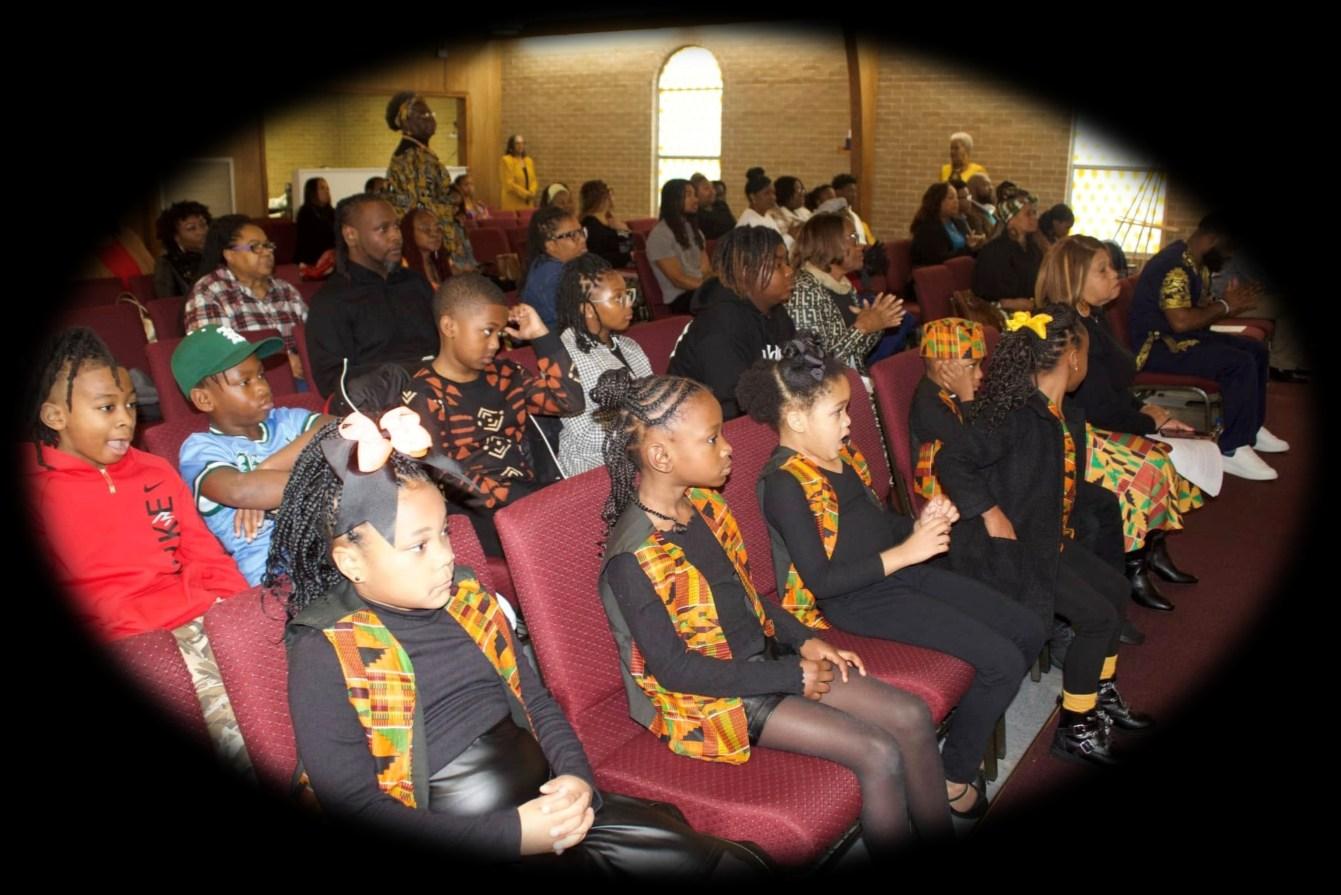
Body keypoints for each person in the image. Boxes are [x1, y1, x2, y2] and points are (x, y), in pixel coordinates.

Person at [267, 415, 769, 876]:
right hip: (461, 839)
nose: (445, 557)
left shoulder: (468, 599)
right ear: (351, 562)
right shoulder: (327, 649)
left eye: (444, 534)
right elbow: (355, 808)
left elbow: (537, 703)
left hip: (547, 809)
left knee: (719, 862)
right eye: (418, 546)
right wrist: (514, 835)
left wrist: (576, 779)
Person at [594, 370, 954, 854]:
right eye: (712, 439)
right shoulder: (633, 557)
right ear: (661, 456)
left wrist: (805, 639)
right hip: (716, 696)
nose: (728, 449)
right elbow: (676, 671)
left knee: (909, 715)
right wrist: (791, 675)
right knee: (878, 753)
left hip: (767, 659)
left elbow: (746, 594)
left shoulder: (703, 506)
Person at [739, 337, 1046, 820]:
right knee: (1003, 661)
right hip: (855, 601)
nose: (848, 423)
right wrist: (908, 551)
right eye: (838, 412)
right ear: (796, 419)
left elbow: (879, 526)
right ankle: (953, 775)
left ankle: (965, 730)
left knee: (1027, 626)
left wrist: (924, 525)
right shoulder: (784, 483)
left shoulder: (842, 455)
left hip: (897, 573)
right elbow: (822, 582)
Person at [934, 307, 1155, 765]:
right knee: (1097, 618)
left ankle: (1098, 692)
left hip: (1040, 538)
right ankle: (1077, 726)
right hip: (1003, 553)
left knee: (1114, 589)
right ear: (1072, 357)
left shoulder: (1051, 411)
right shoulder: (1017, 414)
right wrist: (991, 513)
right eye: (1087, 353)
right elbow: (951, 461)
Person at [26, 327, 252, 771]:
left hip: (199, 618)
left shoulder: (153, 470)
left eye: (130, 405)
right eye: (106, 408)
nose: (126, 420)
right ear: (55, 416)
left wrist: (242, 619)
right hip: (126, 642)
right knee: (237, 730)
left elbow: (205, 555)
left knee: (293, 687)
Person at [1037, 236, 1204, 609]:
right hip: (1072, 434)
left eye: (1112, 267)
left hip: (1097, 421)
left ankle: (1152, 548)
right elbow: (1095, 406)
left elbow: (1114, 387)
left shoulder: (1093, 316)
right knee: (1148, 464)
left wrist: (1152, 413)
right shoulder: (1065, 328)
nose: (1116, 274)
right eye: (1103, 270)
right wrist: (1148, 422)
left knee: (1165, 455)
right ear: (1074, 279)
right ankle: (1132, 565)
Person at [406, 274, 582, 556]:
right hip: (473, 511)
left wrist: (541, 336)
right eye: (487, 332)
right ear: (449, 326)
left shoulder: (507, 375)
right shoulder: (424, 394)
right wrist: (528, 499)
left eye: (499, 334)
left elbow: (570, 402)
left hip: (526, 499)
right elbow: (443, 475)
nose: (494, 345)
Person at [1128, 214, 1286, 480]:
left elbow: (1196, 313)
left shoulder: (1193, 262)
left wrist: (1225, 305)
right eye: (1228, 249)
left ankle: (1251, 427)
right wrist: (1225, 306)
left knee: (1255, 350)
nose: (1229, 257)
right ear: (1212, 239)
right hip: (1157, 348)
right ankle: (1231, 448)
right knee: (1239, 363)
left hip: (1179, 340)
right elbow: (1181, 322)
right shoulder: (1175, 267)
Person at [173, 325, 334, 585]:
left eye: (261, 375)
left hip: (331, 553)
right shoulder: (200, 449)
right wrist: (327, 470)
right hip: (275, 578)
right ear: (204, 399)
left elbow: (339, 429)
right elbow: (241, 491)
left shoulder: (286, 420)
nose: (262, 387)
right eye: (245, 382)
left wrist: (264, 472)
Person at [304, 193, 438, 404]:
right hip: (380, 404)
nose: (396, 236)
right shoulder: (331, 301)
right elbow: (332, 381)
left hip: (439, 393)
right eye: (383, 229)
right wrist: (405, 374)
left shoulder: (415, 283)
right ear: (351, 235)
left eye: (396, 226)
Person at [667, 227, 796, 420]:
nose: (789, 271)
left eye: (787, 262)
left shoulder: (776, 312)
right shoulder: (719, 326)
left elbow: (796, 372)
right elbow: (732, 409)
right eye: (778, 265)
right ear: (746, 273)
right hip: (694, 425)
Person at [553, 254, 653, 476]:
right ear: (588, 309)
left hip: (639, 456)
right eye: (618, 298)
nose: (630, 303)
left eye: (628, 294)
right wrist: (646, 425)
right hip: (595, 469)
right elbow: (586, 437)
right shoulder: (566, 356)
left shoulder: (629, 346)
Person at [185, 214, 309, 383]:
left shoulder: (286, 290)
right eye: (255, 247)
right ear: (230, 255)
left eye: (268, 245)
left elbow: (312, 339)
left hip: (302, 379)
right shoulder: (210, 292)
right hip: (246, 385)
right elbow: (213, 356)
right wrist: (281, 368)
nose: (267, 252)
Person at [787, 213, 909, 372]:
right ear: (830, 244)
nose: (862, 245)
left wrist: (876, 324)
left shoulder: (844, 285)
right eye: (853, 237)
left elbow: (855, 355)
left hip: (850, 379)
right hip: (825, 386)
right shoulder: (804, 292)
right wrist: (861, 328)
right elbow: (813, 366)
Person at [383, 92, 461, 240]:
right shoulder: (409, 157)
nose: (430, 119)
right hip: (425, 237)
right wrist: (452, 202)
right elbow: (419, 206)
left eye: (430, 114)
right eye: (422, 116)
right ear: (406, 123)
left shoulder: (423, 153)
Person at [971, 190, 1043, 312]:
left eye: (1035, 213)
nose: (1034, 218)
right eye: (1028, 214)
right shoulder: (994, 252)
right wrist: (1009, 303)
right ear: (1010, 220)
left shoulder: (1034, 248)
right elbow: (984, 296)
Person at [647, 179, 710, 314]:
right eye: (689, 195)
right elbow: (678, 280)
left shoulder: (695, 231)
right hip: (680, 299)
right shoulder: (660, 235)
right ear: (673, 200)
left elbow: (705, 270)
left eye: (695, 195)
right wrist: (710, 287)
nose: (696, 200)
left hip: (699, 291)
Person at [520, 204, 588, 328]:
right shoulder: (553, 276)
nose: (582, 239)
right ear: (550, 245)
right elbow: (582, 322)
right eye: (572, 235)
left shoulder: (548, 264)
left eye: (581, 232)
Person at [910, 182, 983, 267]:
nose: (956, 201)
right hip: (938, 272)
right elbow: (940, 259)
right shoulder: (927, 228)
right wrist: (968, 248)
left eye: (957, 197)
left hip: (962, 268)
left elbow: (968, 250)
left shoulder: (959, 223)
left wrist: (976, 245)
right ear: (937, 201)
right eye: (951, 198)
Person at [153, 200, 211, 298]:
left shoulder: (218, 254)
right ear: (176, 237)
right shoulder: (167, 264)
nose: (202, 232)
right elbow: (165, 303)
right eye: (191, 228)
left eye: (203, 225)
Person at [578, 180, 633, 269]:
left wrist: (624, 231)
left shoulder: (611, 221)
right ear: (602, 199)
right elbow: (598, 258)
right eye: (609, 194)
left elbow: (627, 248)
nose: (612, 197)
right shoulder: (591, 225)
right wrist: (629, 256)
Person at [735, 168, 793, 252]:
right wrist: (790, 236)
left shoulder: (766, 216)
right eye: (767, 193)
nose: (773, 197)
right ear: (752, 197)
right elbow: (767, 253)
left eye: (773, 193)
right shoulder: (749, 223)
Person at [401, 207, 452, 291]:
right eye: (426, 229)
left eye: (438, 228)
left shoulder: (442, 263)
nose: (434, 234)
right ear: (409, 232)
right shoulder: (404, 268)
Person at [295, 177, 336, 266]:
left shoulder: (332, 212)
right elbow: (310, 241)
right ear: (313, 192)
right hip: (311, 257)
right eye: (322, 188)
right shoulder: (305, 213)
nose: (326, 191)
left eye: (327, 188)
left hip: (331, 255)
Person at [499, 134, 538, 211]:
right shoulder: (506, 160)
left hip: (528, 203)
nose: (521, 146)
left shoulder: (529, 160)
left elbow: (534, 180)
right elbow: (508, 184)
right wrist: (525, 194)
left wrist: (532, 192)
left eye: (522, 143)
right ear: (511, 146)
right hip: (513, 203)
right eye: (517, 143)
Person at [690, 172, 734, 240]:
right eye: (706, 188)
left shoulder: (721, 206)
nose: (712, 192)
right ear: (695, 193)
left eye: (712, 188)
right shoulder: (695, 213)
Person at [768, 176, 810, 240]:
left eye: (802, 189)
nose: (803, 193)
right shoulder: (775, 216)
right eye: (798, 189)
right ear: (785, 193)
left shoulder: (804, 211)